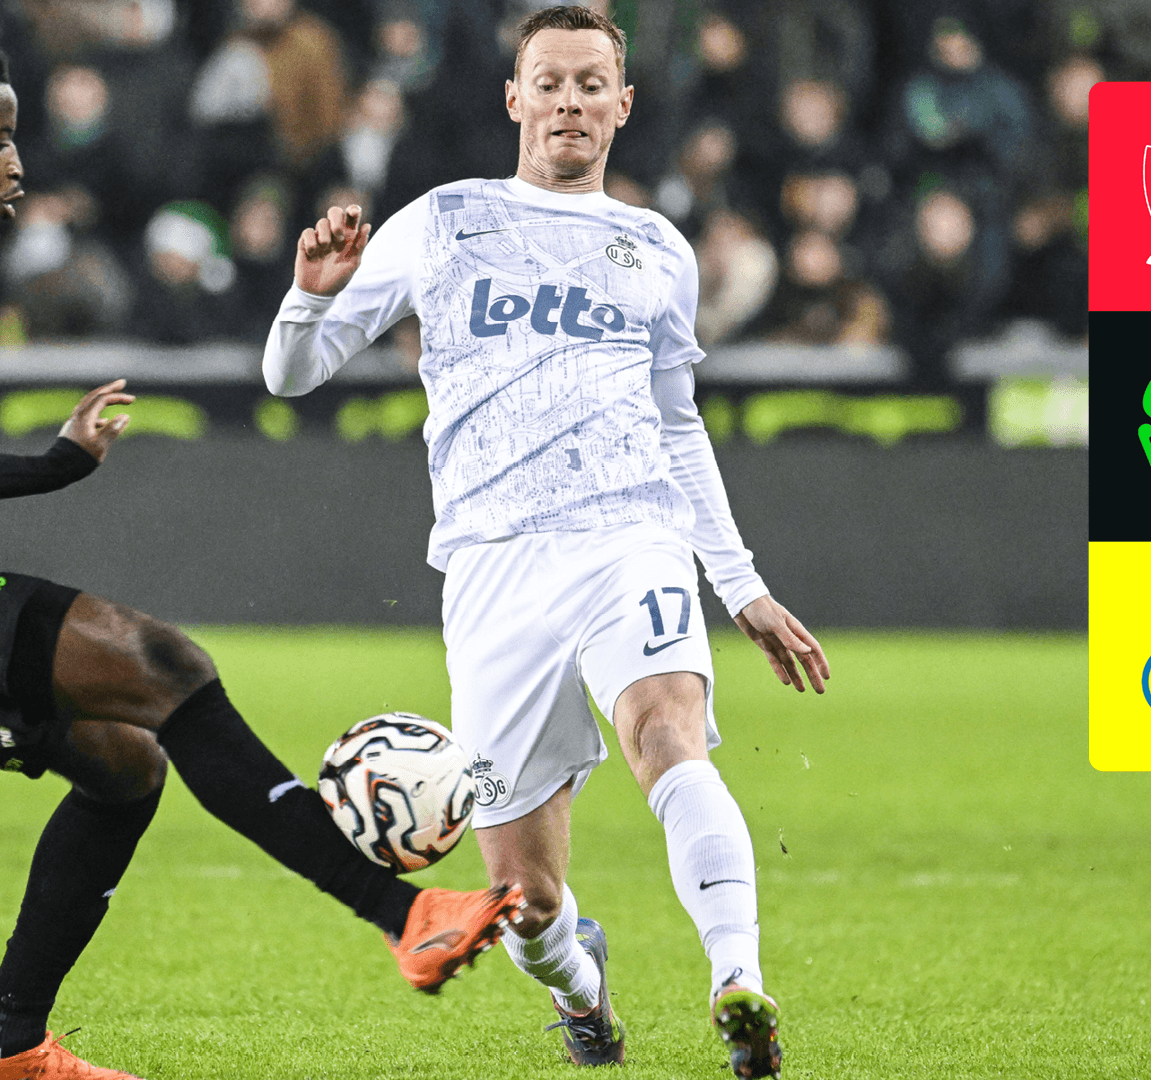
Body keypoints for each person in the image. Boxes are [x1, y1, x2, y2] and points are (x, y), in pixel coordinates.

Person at [0, 27, 523, 1080]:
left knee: (124, 764)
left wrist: (54, 466)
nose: (17, 164)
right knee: (165, 665)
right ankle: (406, 915)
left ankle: (6, 1047)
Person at [261, 7, 830, 1077]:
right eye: (551, 83)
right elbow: (291, 376)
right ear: (515, 98)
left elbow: (677, 426)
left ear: (623, 104)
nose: (570, 101)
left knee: (670, 735)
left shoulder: (657, 248)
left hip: (629, 536)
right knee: (525, 900)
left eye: (591, 83)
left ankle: (738, 983)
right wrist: (307, 297)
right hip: (493, 562)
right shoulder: (444, 219)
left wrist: (740, 583)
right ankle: (582, 987)